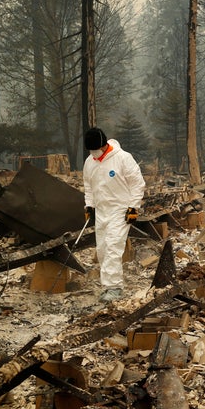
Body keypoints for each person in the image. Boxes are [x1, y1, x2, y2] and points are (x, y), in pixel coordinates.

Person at [83, 127, 145, 303]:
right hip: (102, 211)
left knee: (112, 247)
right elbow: (88, 186)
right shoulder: (90, 162)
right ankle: (107, 286)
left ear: (103, 146)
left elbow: (137, 184)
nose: (94, 154)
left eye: (96, 150)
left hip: (120, 209)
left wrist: (133, 208)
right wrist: (89, 206)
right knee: (102, 249)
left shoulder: (123, 158)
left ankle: (114, 288)